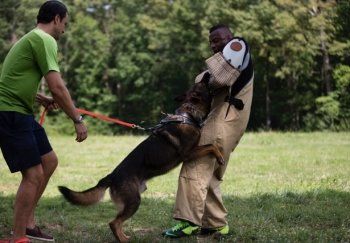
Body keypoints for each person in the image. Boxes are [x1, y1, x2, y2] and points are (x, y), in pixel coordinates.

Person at [0, 1, 87, 243]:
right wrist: (77, 119)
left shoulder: (32, 38)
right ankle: (18, 237)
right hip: (10, 112)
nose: (64, 30)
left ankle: (27, 224)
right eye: (65, 24)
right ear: (57, 19)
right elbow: (57, 86)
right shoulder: (44, 39)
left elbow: (15, 76)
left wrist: (39, 98)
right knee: (34, 175)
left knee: (49, 161)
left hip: (21, 111)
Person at [163, 24, 254, 238]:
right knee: (210, 174)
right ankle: (216, 224)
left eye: (217, 39)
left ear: (230, 37)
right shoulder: (229, 61)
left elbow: (219, 79)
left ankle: (189, 222)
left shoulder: (237, 46)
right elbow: (205, 85)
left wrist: (202, 79)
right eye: (211, 41)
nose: (214, 45)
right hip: (229, 122)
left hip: (224, 120)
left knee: (194, 165)